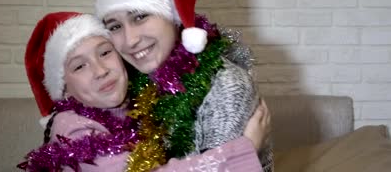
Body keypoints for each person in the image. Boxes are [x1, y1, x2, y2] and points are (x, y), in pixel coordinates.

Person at [18, 11, 271, 172]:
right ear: (64, 90)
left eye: (105, 53)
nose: (100, 71)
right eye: (79, 66)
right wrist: (245, 148)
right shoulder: (72, 128)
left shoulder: (138, 103)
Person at [95, 0, 273, 171]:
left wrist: (247, 149)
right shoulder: (133, 84)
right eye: (115, 26)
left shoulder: (225, 85)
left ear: (173, 16)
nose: (130, 40)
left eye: (140, 16)